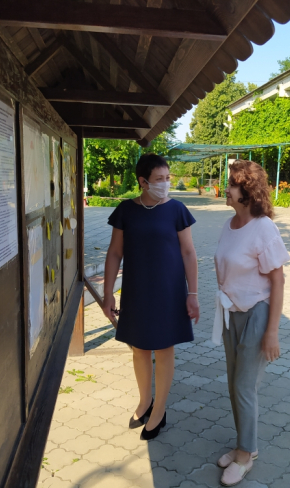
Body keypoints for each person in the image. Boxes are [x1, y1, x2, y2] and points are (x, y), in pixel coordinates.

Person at [102, 153, 200, 440]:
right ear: (143, 182)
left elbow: (189, 253)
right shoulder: (125, 210)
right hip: (136, 290)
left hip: (169, 291)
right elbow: (114, 253)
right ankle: (145, 400)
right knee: (140, 348)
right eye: (159, 179)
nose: (165, 183)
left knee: (164, 348)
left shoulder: (177, 210)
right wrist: (108, 293)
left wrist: (193, 293)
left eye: (167, 178)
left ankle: (159, 410)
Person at [213, 160, 290, 486]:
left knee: (245, 386)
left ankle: (246, 456)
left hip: (257, 314)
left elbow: (278, 281)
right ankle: (245, 444)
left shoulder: (264, 228)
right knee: (234, 384)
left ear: (247, 192)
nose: (226, 189)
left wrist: (272, 332)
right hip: (230, 313)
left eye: (231, 184)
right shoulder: (229, 224)